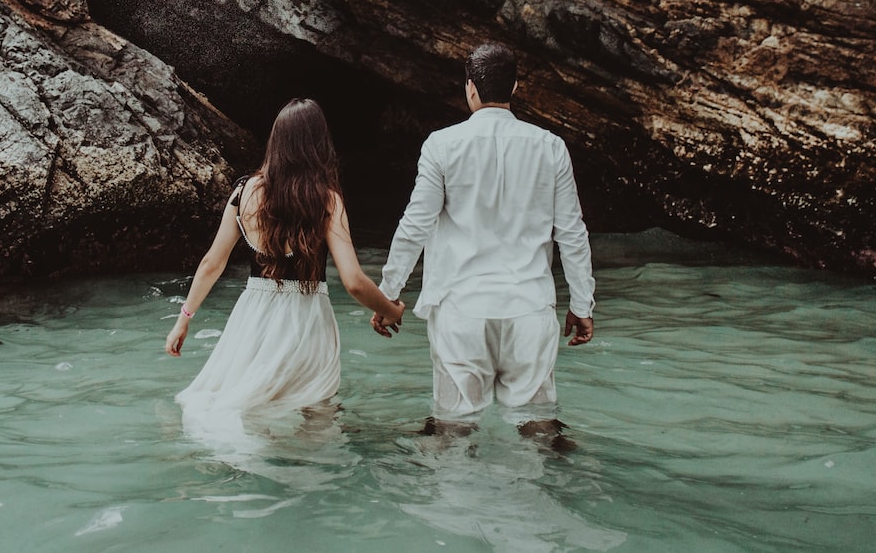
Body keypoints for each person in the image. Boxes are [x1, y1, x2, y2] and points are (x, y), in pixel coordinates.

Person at [374, 43, 595, 437]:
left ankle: (455, 496)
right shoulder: (551, 147)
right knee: (539, 429)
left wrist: (388, 293)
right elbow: (572, 232)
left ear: (470, 88)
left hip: (461, 308)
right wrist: (582, 303)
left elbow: (415, 225)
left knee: (452, 428)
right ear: (515, 87)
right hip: (529, 306)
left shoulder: (442, 145)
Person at [166, 98, 405, 417]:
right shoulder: (326, 200)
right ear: (319, 145)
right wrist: (390, 309)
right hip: (307, 318)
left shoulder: (243, 192)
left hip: (252, 317)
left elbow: (213, 263)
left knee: (249, 411)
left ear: (275, 142)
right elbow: (354, 282)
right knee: (316, 411)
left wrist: (183, 321)